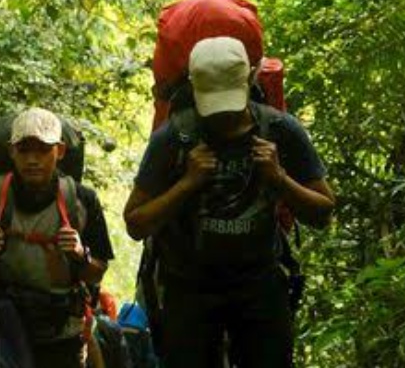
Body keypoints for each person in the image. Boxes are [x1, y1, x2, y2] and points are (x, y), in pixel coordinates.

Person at [123, 37, 335, 368]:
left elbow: (323, 213)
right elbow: (135, 223)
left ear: (252, 79)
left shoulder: (279, 130)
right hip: (189, 286)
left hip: (258, 283)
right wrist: (186, 184)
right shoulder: (174, 137)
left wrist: (279, 178)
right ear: (192, 86)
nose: (222, 117)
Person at [0, 107, 115, 368]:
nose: (32, 160)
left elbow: (97, 273)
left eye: (42, 150)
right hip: (3, 323)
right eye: (24, 150)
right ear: (11, 151)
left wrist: (79, 254)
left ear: (59, 151)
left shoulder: (82, 201)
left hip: (62, 330)